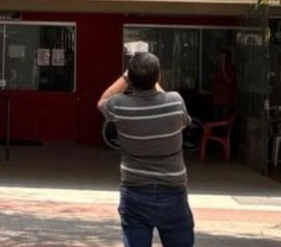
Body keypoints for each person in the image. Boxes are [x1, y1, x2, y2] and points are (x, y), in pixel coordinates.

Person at [97, 51, 194, 247]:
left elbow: (102, 102)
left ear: (130, 80)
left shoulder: (120, 106)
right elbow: (184, 121)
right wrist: (152, 80)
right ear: (158, 77)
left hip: (135, 192)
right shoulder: (175, 102)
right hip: (172, 192)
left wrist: (125, 77)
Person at [211, 49, 236, 117]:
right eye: (219, 57)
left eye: (222, 57)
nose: (220, 58)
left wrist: (223, 68)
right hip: (217, 99)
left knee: (225, 117)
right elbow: (212, 79)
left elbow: (229, 80)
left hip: (226, 100)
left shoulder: (230, 67)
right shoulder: (217, 67)